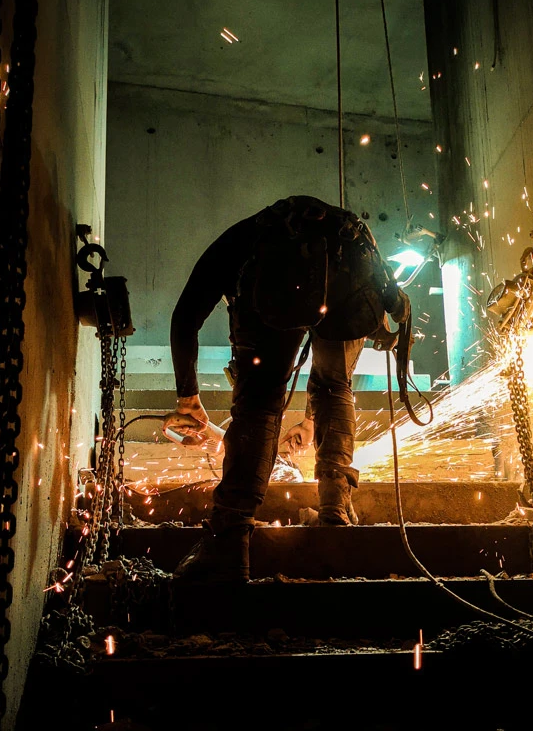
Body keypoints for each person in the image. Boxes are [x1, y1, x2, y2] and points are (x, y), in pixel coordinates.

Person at [164, 194, 410, 582]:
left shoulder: (236, 246)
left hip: (307, 273)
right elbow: (387, 294)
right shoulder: (334, 233)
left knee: (260, 403)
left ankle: (230, 537)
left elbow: (184, 319)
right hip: (354, 268)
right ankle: (336, 504)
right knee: (335, 385)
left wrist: (188, 397)